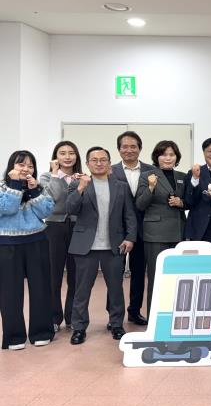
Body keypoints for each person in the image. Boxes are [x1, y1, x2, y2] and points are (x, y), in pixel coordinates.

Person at [66, 147, 136, 345]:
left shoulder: (121, 186)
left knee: (116, 289)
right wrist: (80, 188)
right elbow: (70, 209)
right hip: (85, 246)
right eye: (94, 160)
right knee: (82, 290)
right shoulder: (78, 184)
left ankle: (116, 324)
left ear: (109, 162)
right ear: (87, 164)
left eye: (103, 159)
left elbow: (129, 215)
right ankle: (79, 328)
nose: (99, 163)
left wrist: (130, 238)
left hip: (114, 246)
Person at [0, 150, 55, 350]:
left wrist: (34, 191)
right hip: (7, 244)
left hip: (36, 241)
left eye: (30, 166)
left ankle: (42, 332)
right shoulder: (2, 187)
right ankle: (14, 337)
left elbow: (47, 211)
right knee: (9, 292)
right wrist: (15, 185)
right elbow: (6, 208)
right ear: (11, 167)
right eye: (21, 164)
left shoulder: (36, 187)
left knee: (41, 288)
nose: (25, 169)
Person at [134, 140, 187, 316]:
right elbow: (140, 204)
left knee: (177, 278)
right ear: (157, 157)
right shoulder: (147, 175)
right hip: (156, 233)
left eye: (172, 154)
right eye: (164, 154)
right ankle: (154, 317)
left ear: (177, 157)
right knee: (157, 277)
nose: (168, 158)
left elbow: (190, 201)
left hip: (178, 232)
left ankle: (174, 315)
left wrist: (181, 203)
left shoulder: (182, 176)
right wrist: (151, 187)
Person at [39, 141, 82, 331]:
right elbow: (52, 197)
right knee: (53, 275)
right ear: (55, 156)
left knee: (75, 275)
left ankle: (72, 317)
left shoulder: (81, 177)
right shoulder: (47, 177)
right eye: (62, 153)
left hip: (77, 227)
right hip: (53, 227)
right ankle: (54, 318)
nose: (67, 157)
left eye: (71, 153)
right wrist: (55, 174)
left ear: (76, 156)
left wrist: (80, 183)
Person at [111, 131, 153, 325]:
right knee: (114, 275)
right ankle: (113, 315)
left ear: (140, 149)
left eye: (133, 146)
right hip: (117, 231)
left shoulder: (151, 170)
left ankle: (134, 312)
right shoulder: (110, 171)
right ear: (119, 149)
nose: (129, 150)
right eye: (125, 146)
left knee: (138, 274)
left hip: (144, 230)